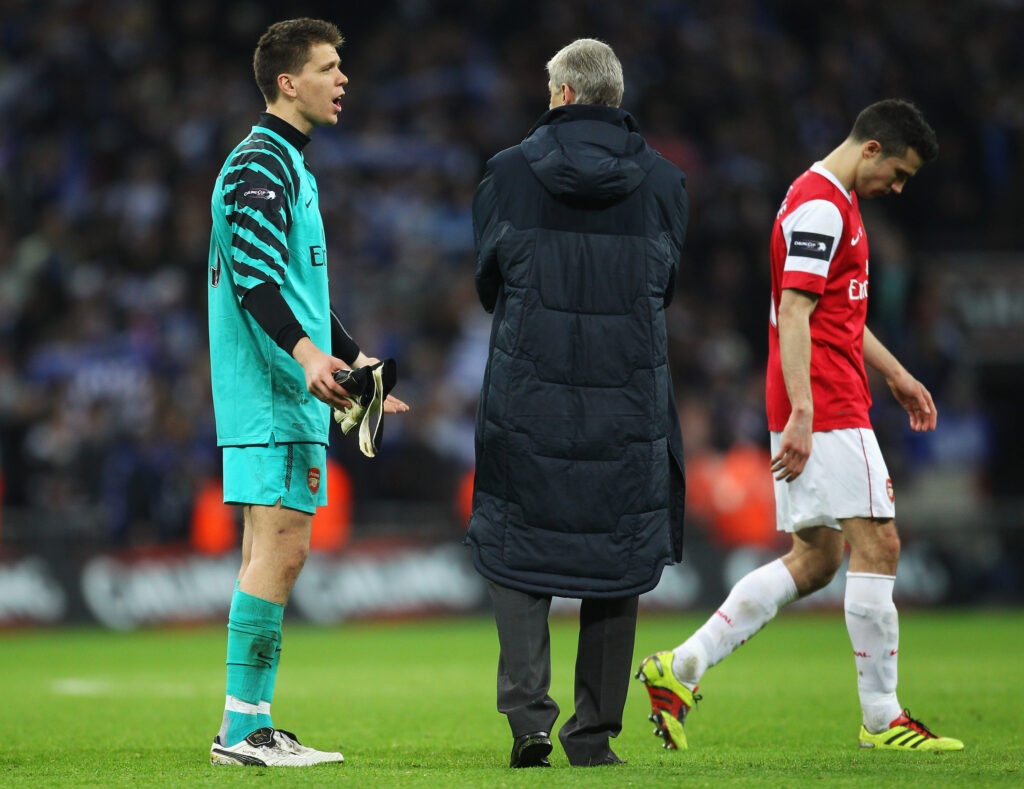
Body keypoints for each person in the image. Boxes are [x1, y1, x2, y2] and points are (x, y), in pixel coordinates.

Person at [637, 99, 964, 753]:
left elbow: (835, 312)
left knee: (816, 559)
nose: (897, 188)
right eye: (898, 172)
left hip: (815, 401)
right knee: (882, 546)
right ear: (871, 147)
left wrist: (895, 372)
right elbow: (794, 311)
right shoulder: (822, 206)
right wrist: (805, 414)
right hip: (828, 404)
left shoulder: (819, 197)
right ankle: (883, 718)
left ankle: (683, 667)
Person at [467, 38, 688, 768]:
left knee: (516, 545)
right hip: (627, 396)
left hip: (529, 391)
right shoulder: (664, 182)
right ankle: (593, 734)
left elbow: (489, 282)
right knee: (616, 552)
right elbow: (667, 286)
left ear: (562, 94)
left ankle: (529, 718)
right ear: (613, 97)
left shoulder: (506, 172)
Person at [206, 18, 408, 767]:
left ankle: (246, 720)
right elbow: (257, 280)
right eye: (328, 67)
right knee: (282, 549)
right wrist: (304, 357)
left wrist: (357, 361)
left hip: (280, 389)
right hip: (272, 393)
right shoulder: (261, 164)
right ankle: (243, 730)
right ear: (288, 83)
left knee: (270, 548)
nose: (342, 79)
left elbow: (295, 289)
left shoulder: (287, 164)